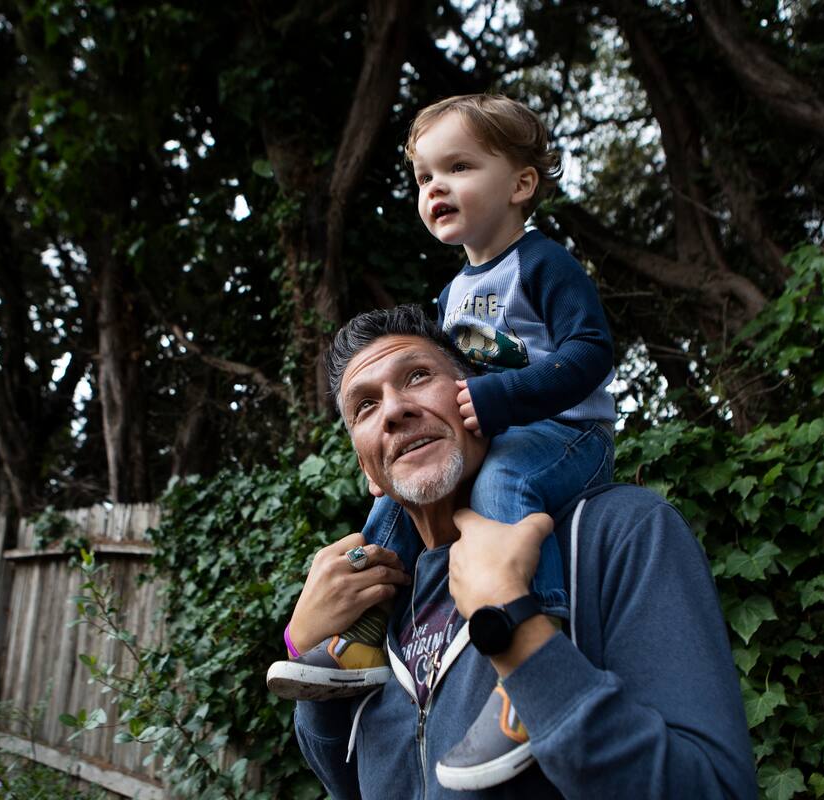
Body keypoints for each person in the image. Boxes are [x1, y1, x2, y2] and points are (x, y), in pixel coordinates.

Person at [268, 93, 617, 789]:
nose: (436, 187)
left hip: (565, 432)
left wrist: (497, 399)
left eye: (458, 167)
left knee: (503, 483)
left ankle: (525, 661)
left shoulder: (541, 263)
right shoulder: (455, 292)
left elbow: (592, 352)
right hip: (506, 430)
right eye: (425, 176)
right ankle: (359, 641)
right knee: (383, 515)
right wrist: (300, 638)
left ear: (521, 183)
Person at [283, 306, 757, 798]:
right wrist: (308, 654)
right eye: (365, 405)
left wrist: (519, 634)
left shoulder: (619, 533)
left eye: (418, 376)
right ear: (367, 471)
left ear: (483, 401)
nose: (393, 410)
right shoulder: (372, 611)